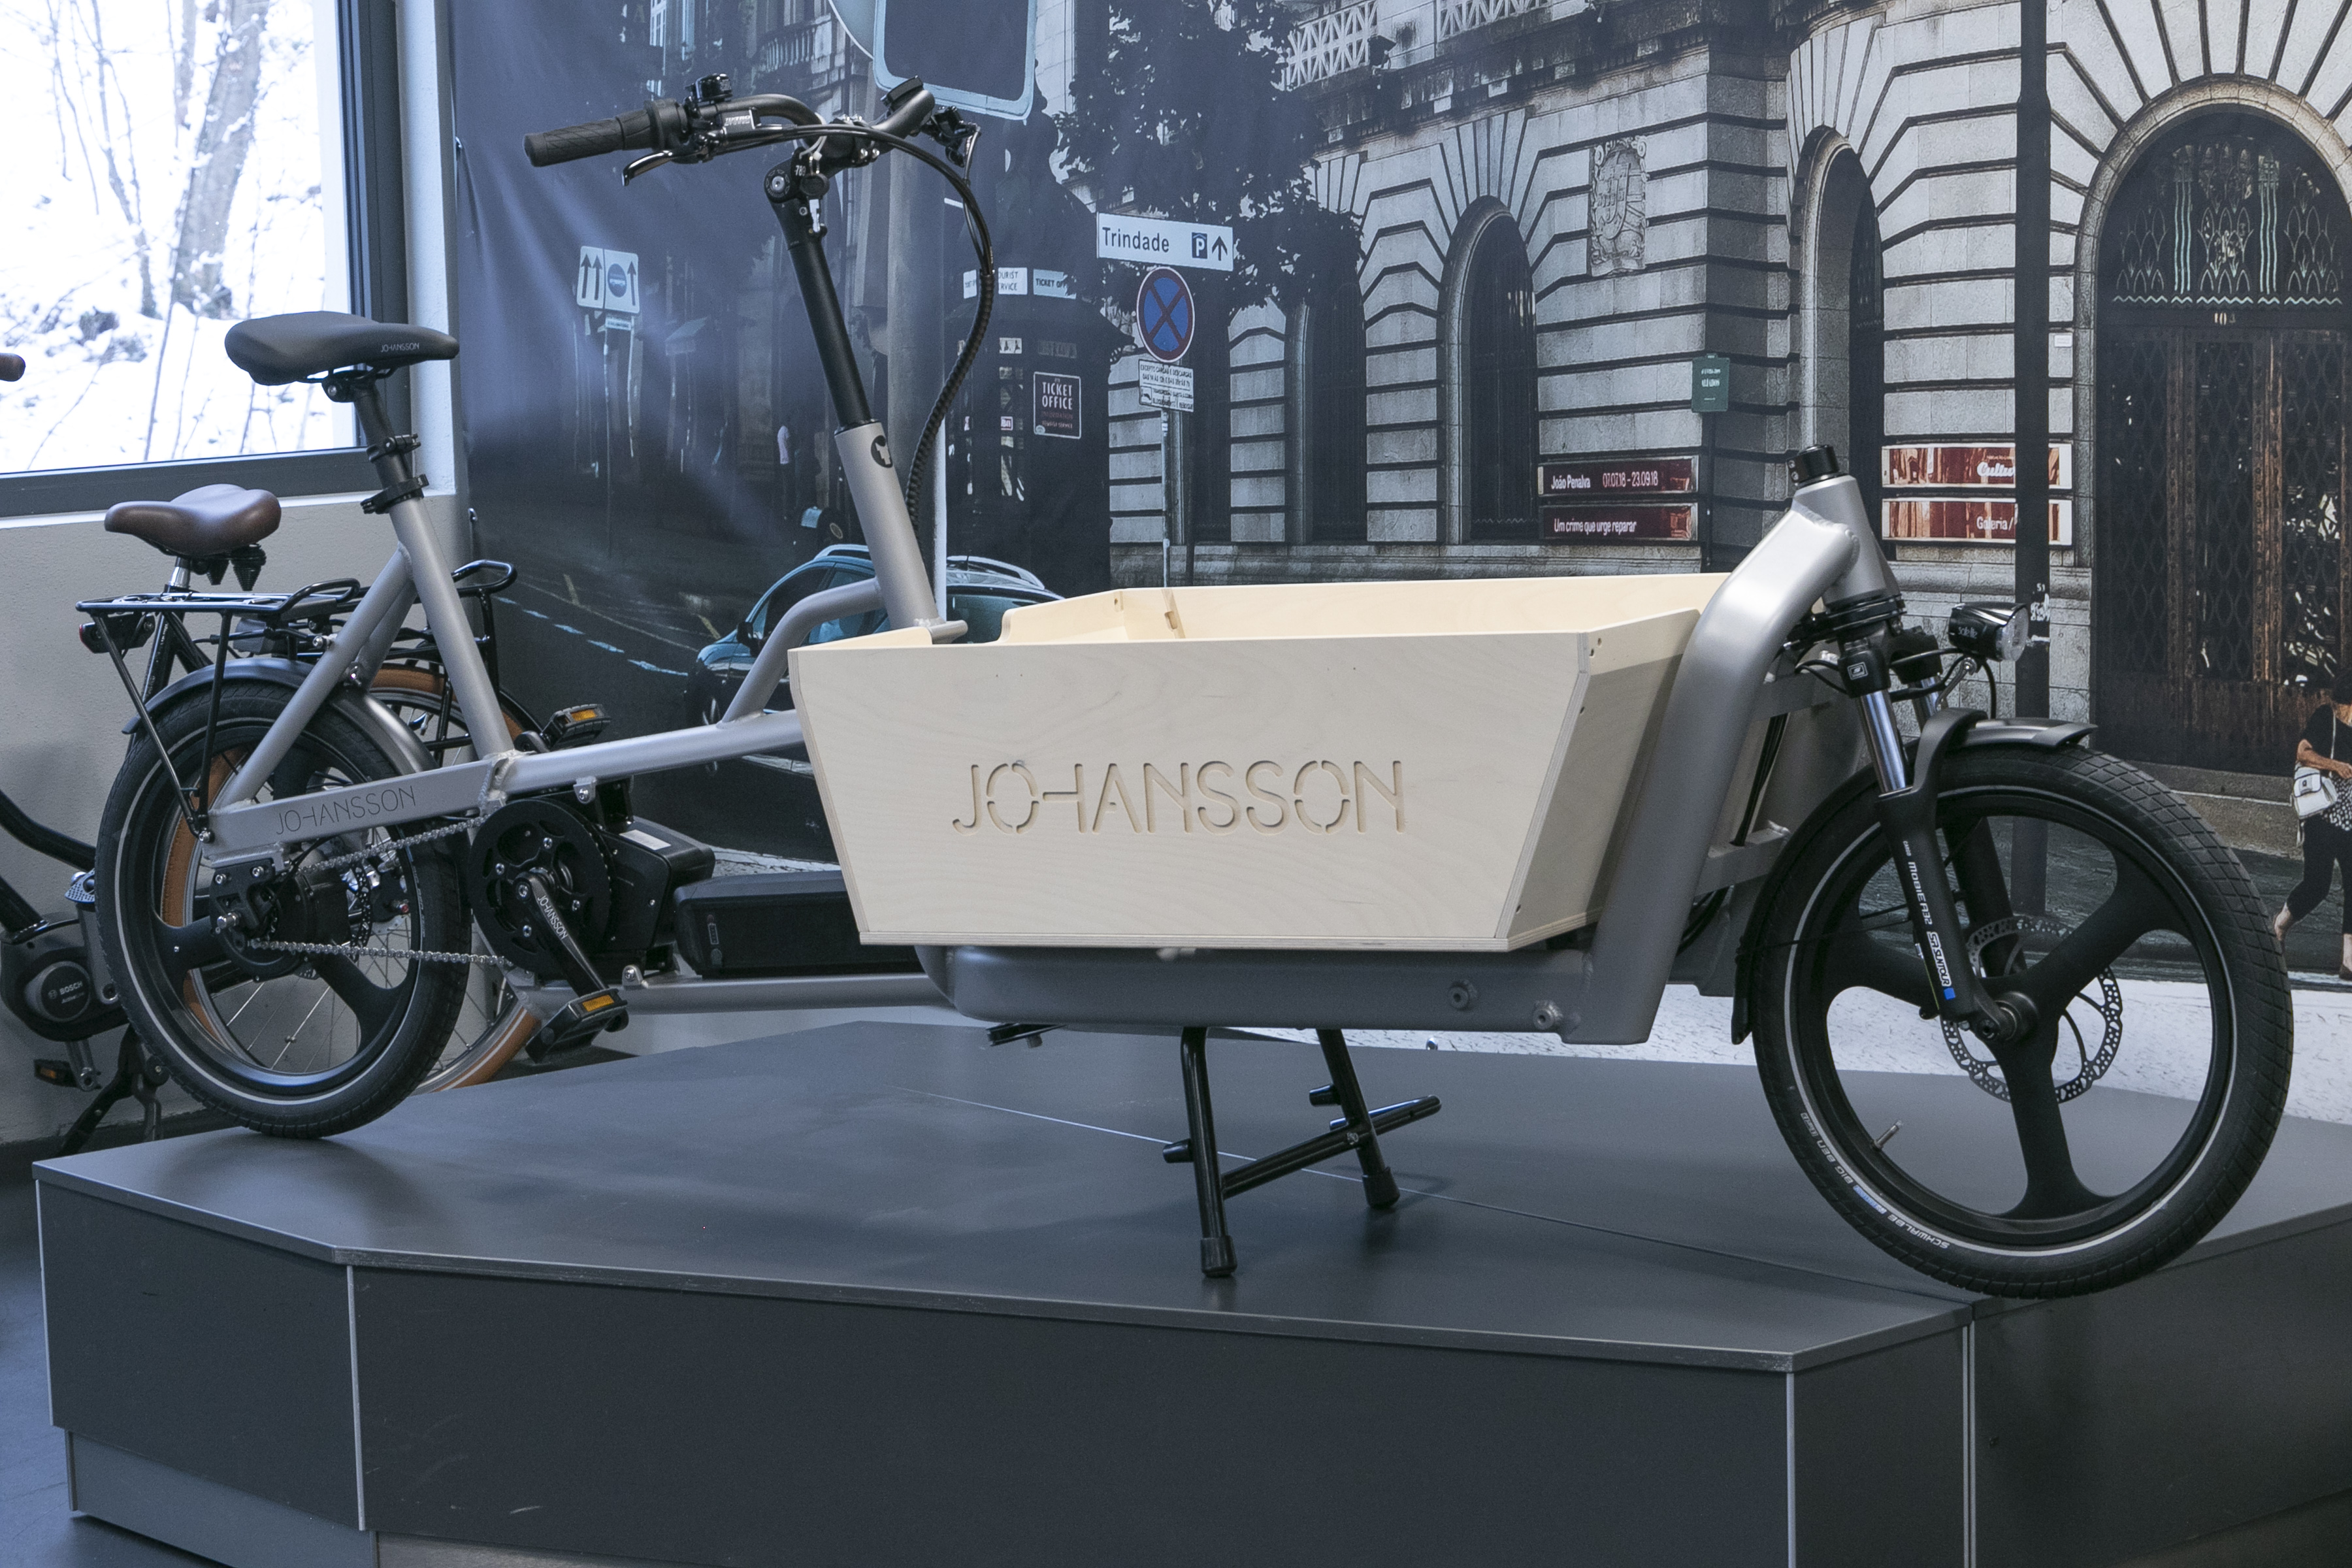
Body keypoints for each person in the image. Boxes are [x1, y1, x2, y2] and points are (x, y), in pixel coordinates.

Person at [2276, 671, 2352, 979]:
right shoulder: (2326, 718)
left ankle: (2349, 960)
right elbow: (2303, 753)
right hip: (2322, 813)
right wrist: (2336, 766)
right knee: (2317, 884)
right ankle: (2281, 925)